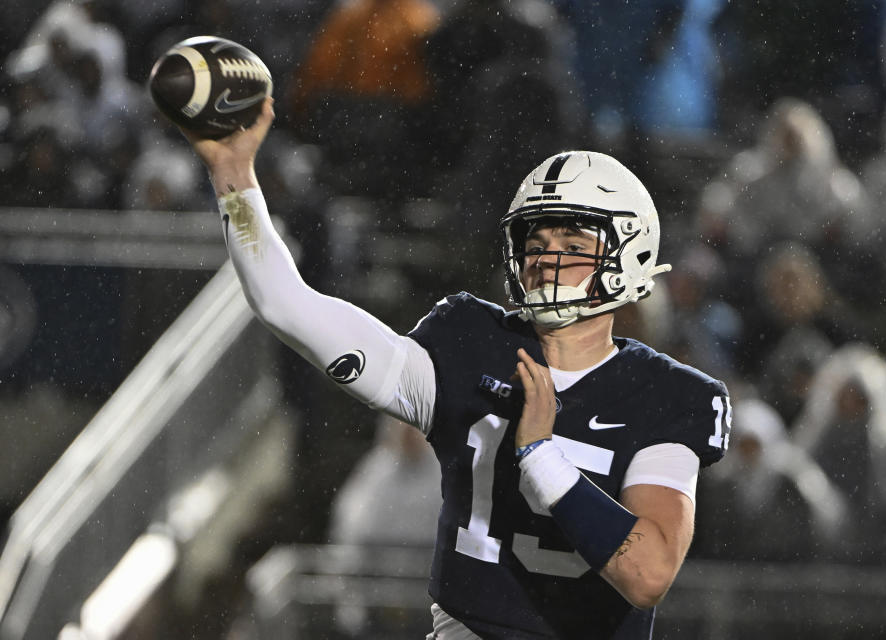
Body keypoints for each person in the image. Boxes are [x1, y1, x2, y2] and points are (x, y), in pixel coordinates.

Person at [178, 98, 732, 639]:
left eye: (572, 240)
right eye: (535, 241)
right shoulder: (468, 344)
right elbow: (286, 305)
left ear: (628, 254)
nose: (545, 258)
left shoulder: (667, 395)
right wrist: (233, 174)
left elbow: (648, 575)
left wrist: (542, 457)